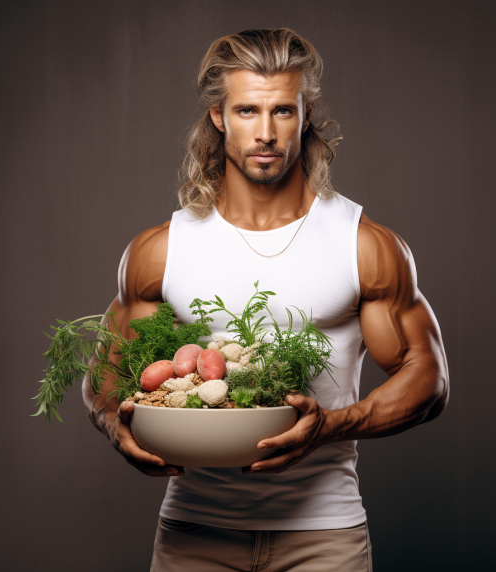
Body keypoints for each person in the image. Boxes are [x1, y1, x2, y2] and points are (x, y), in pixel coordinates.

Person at [82, 28, 449, 571]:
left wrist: (337, 422)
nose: (266, 133)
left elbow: (429, 376)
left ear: (305, 115)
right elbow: (106, 371)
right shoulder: (161, 250)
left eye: (282, 111)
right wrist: (116, 424)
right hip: (195, 531)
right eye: (248, 111)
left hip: (324, 534)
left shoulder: (363, 245)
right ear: (219, 116)